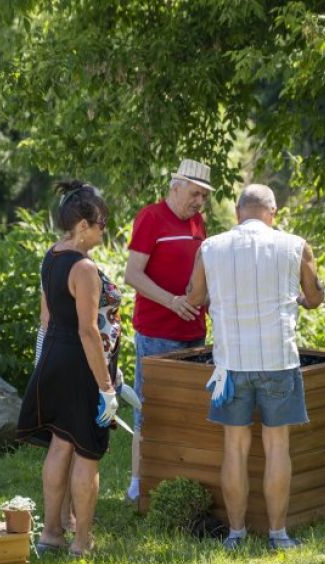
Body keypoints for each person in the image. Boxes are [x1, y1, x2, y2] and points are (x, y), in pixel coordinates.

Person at [185, 184, 325, 550]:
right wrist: (298, 297)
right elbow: (314, 298)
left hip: (230, 363)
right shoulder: (295, 245)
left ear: (237, 213)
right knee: (278, 446)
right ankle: (278, 535)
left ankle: (236, 534)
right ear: (273, 212)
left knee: (235, 447)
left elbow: (194, 297)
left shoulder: (210, 247)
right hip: (278, 358)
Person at [16, 181, 121, 557]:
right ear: (82, 226)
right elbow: (89, 332)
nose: (103, 230)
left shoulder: (51, 255)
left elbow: (48, 317)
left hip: (53, 359)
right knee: (87, 450)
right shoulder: (84, 268)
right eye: (101, 223)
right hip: (80, 365)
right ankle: (82, 541)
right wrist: (106, 386)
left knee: (60, 444)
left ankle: (51, 535)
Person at [123, 159, 212, 504]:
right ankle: (138, 481)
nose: (199, 202)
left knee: (189, 408)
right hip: (157, 332)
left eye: (204, 196)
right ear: (175, 187)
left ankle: (181, 478)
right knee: (150, 407)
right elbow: (133, 274)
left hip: (194, 330)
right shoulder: (151, 217)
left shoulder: (198, 222)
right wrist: (172, 301)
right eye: (195, 194)